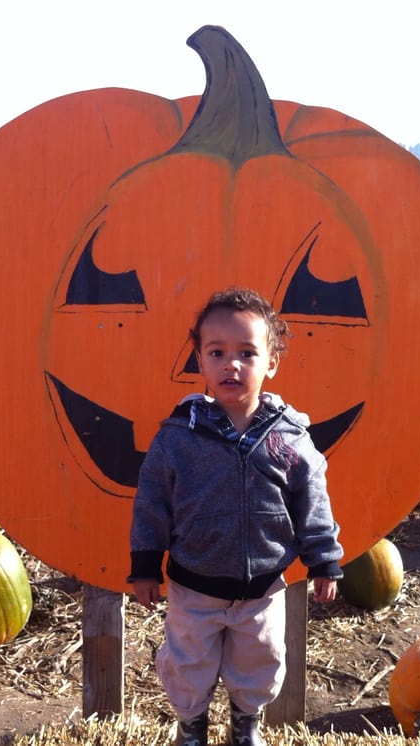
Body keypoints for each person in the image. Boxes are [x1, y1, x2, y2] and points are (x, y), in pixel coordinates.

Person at [129, 287, 344, 746]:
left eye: (247, 353)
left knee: (260, 662)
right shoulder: (177, 437)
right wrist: (145, 564)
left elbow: (313, 500)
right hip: (193, 584)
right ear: (200, 362)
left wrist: (324, 560)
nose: (232, 364)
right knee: (189, 665)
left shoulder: (289, 438)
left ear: (271, 363)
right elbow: (152, 502)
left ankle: (245, 724)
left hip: (263, 588)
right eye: (218, 353)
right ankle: (191, 726)